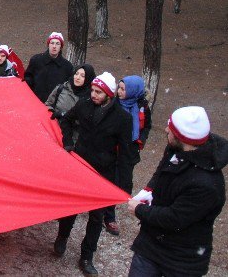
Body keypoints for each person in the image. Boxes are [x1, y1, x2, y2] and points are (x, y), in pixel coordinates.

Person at [127, 106, 227, 277]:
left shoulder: (206, 184)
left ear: (182, 137)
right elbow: (162, 170)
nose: (166, 129)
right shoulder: (176, 148)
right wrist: (149, 189)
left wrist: (139, 209)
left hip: (181, 261)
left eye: (170, 128)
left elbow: (174, 218)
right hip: (150, 247)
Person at [54, 72, 137, 276]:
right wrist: (68, 143)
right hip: (81, 166)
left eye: (98, 92)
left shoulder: (122, 118)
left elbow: (126, 154)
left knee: (96, 217)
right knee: (70, 207)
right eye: (92, 90)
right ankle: (62, 237)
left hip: (103, 171)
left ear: (108, 94)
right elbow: (66, 120)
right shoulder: (84, 105)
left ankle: (86, 256)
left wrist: (124, 187)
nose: (93, 94)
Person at [104, 75, 151, 236]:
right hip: (113, 149)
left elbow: (146, 126)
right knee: (110, 181)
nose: (120, 91)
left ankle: (108, 206)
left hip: (129, 152)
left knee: (124, 184)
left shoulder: (141, 105)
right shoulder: (113, 104)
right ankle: (109, 216)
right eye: (119, 88)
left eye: (124, 89)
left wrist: (140, 141)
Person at [24, 32, 74, 102]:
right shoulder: (36, 60)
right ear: (48, 45)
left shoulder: (67, 66)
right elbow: (27, 78)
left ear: (61, 47)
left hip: (55, 106)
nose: (54, 46)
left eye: (57, 43)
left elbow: (69, 88)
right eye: (52, 43)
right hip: (35, 102)